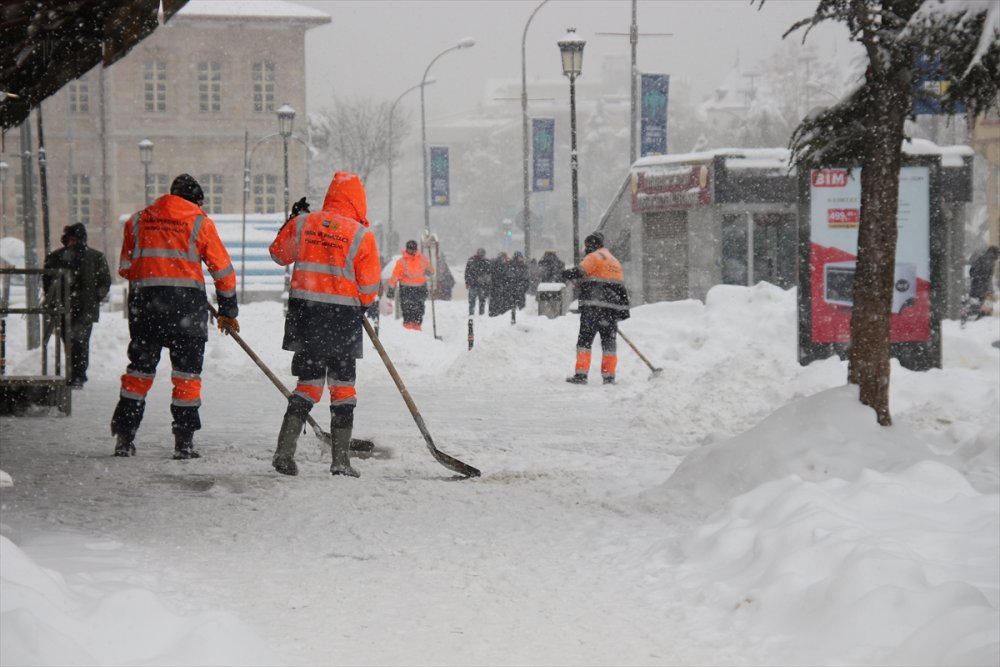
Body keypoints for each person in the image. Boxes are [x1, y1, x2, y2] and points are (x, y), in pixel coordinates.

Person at [110, 174, 239, 459]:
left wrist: (157, 277)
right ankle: (184, 442)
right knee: (187, 377)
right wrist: (228, 310)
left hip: (146, 307)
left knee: (139, 373)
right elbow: (223, 271)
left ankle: (125, 438)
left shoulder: (137, 220)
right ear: (197, 201)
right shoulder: (199, 222)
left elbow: (126, 268)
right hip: (186, 309)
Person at [268, 171, 381, 478]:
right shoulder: (361, 235)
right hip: (342, 320)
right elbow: (369, 287)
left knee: (308, 384)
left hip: (305, 317)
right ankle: (341, 461)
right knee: (343, 388)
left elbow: (279, 254)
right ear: (359, 201)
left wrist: (292, 219)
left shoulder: (304, 224)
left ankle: (284, 452)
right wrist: (363, 303)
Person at [42, 223, 112, 388]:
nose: (72, 243)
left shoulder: (94, 257)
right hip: (64, 306)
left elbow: (104, 281)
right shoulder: (56, 257)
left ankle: (78, 374)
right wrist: (53, 299)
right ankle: (73, 373)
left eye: (75, 239)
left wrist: (94, 298)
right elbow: (47, 280)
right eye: (69, 239)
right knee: (68, 341)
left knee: (80, 341)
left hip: (83, 308)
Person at [562, 232, 630, 385]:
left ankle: (581, 375)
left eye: (586, 246)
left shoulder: (593, 257)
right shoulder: (614, 261)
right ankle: (609, 377)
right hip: (611, 311)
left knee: (585, 341)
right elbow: (621, 289)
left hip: (593, 308)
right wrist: (623, 311)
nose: (585, 250)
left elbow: (579, 272)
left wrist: (566, 273)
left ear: (591, 245)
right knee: (609, 344)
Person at [387, 240, 431, 331]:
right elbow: (395, 277)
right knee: (407, 311)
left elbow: (430, 270)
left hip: (420, 289)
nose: (413, 251)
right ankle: (408, 331)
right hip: (406, 290)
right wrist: (391, 289)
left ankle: (417, 329)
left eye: (414, 249)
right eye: (411, 249)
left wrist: (429, 271)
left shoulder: (423, 259)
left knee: (419, 311)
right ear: (407, 249)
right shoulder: (401, 262)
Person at [968, 245, 1000, 319]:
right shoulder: (987, 260)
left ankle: (982, 317)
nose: (998, 257)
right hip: (981, 287)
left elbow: (972, 272)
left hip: (980, 287)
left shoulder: (987, 259)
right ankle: (982, 318)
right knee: (986, 304)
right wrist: (983, 279)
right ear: (995, 253)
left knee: (985, 304)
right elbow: (974, 273)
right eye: (998, 255)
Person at [464, 247, 491, 316]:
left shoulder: (486, 262)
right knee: (473, 301)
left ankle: (480, 314)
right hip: (474, 284)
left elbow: (489, 274)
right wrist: (467, 282)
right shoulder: (472, 261)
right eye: (481, 255)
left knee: (481, 301)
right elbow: (467, 272)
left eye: (483, 255)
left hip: (481, 285)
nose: (482, 257)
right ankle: (471, 314)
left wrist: (488, 284)